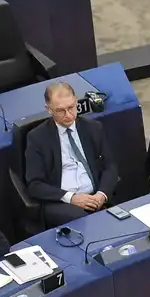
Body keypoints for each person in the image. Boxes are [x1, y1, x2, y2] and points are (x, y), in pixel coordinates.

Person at [24, 81, 119, 227]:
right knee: (85, 222)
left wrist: (101, 194)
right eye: (60, 110)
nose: (68, 115)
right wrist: (71, 198)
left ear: (76, 102)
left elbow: (110, 166)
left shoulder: (93, 128)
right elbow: (34, 185)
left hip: (95, 196)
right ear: (48, 109)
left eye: (71, 107)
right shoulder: (37, 138)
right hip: (62, 203)